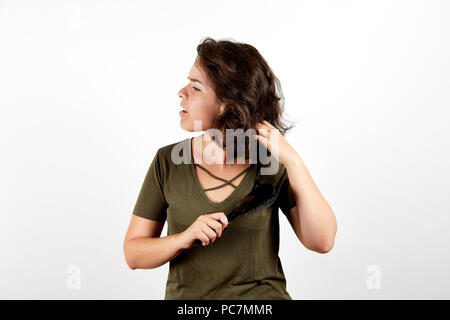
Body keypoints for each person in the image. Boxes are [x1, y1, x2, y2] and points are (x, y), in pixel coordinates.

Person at [123, 37, 337, 300]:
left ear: (227, 103)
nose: (181, 92)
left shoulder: (271, 164)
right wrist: (182, 238)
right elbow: (133, 254)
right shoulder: (167, 162)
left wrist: (293, 161)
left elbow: (322, 241)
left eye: (196, 87)